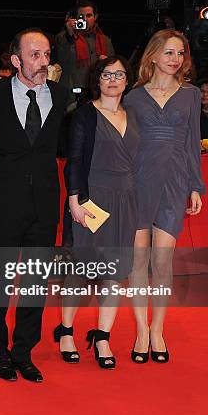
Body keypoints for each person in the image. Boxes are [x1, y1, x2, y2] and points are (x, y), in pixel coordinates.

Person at [0, 28, 68, 383]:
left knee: (37, 284)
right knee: (1, 283)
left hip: (43, 204)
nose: (44, 62)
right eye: (36, 55)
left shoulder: (58, 94)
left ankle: (23, 351)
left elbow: (68, 145)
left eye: (47, 54)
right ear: (16, 60)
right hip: (3, 204)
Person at [123, 29, 205, 364]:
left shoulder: (191, 95)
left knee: (162, 262)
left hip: (174, 180)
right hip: (138, 182)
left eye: (180, 53)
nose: (176, 59)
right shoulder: (132, 97)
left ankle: (159, 329)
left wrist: (196, 185)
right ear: (154, 55)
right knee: (138, 262)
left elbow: (192, 142)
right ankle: (142, 330)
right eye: (169, 52)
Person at [57, 56, 139, 370]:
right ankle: (66, 331)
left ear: (127, 80)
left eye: (120, 74)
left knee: (115, 275)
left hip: (126, 202)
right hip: (92, 201)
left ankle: (102, 336)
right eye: (107, 74)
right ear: (98, 79)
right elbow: (74, 160)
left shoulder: (133, 115)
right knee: (80, 271)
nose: (113, 79)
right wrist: (75, 200)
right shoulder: (85, 115)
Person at [55, 0, 115, 112]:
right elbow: (61, 62)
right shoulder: (64, 38)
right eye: (81, 16)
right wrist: (68, 35)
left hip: (97, 96)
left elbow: (114, 68)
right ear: (75, 18)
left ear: (95, 17)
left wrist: (106, 63)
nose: (86, 19)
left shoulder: (105, 41)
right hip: (71, 97)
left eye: (89, 15)